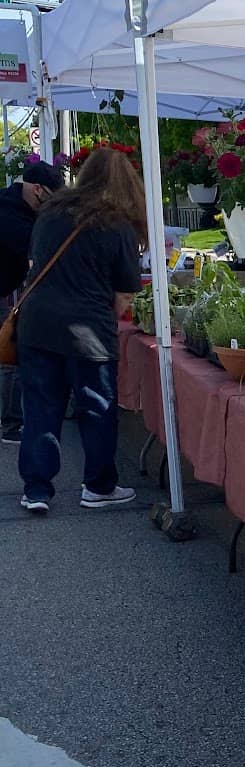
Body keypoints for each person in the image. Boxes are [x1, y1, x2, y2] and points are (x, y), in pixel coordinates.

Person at [16, 146, 144, 514]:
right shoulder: (117, 224)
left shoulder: (51, 211)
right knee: (97, 407)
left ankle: (37, 490)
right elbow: (124, 296)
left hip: (38, 324)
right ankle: (99, 486)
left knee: (41, 408)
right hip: (88, 331)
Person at [0, 158, 67, 444]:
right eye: (51, 199)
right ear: (38, 189)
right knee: (9, 354)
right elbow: (36, 249)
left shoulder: (16, 206)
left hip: (7, 286)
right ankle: (11, 423)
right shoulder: (9, 213)